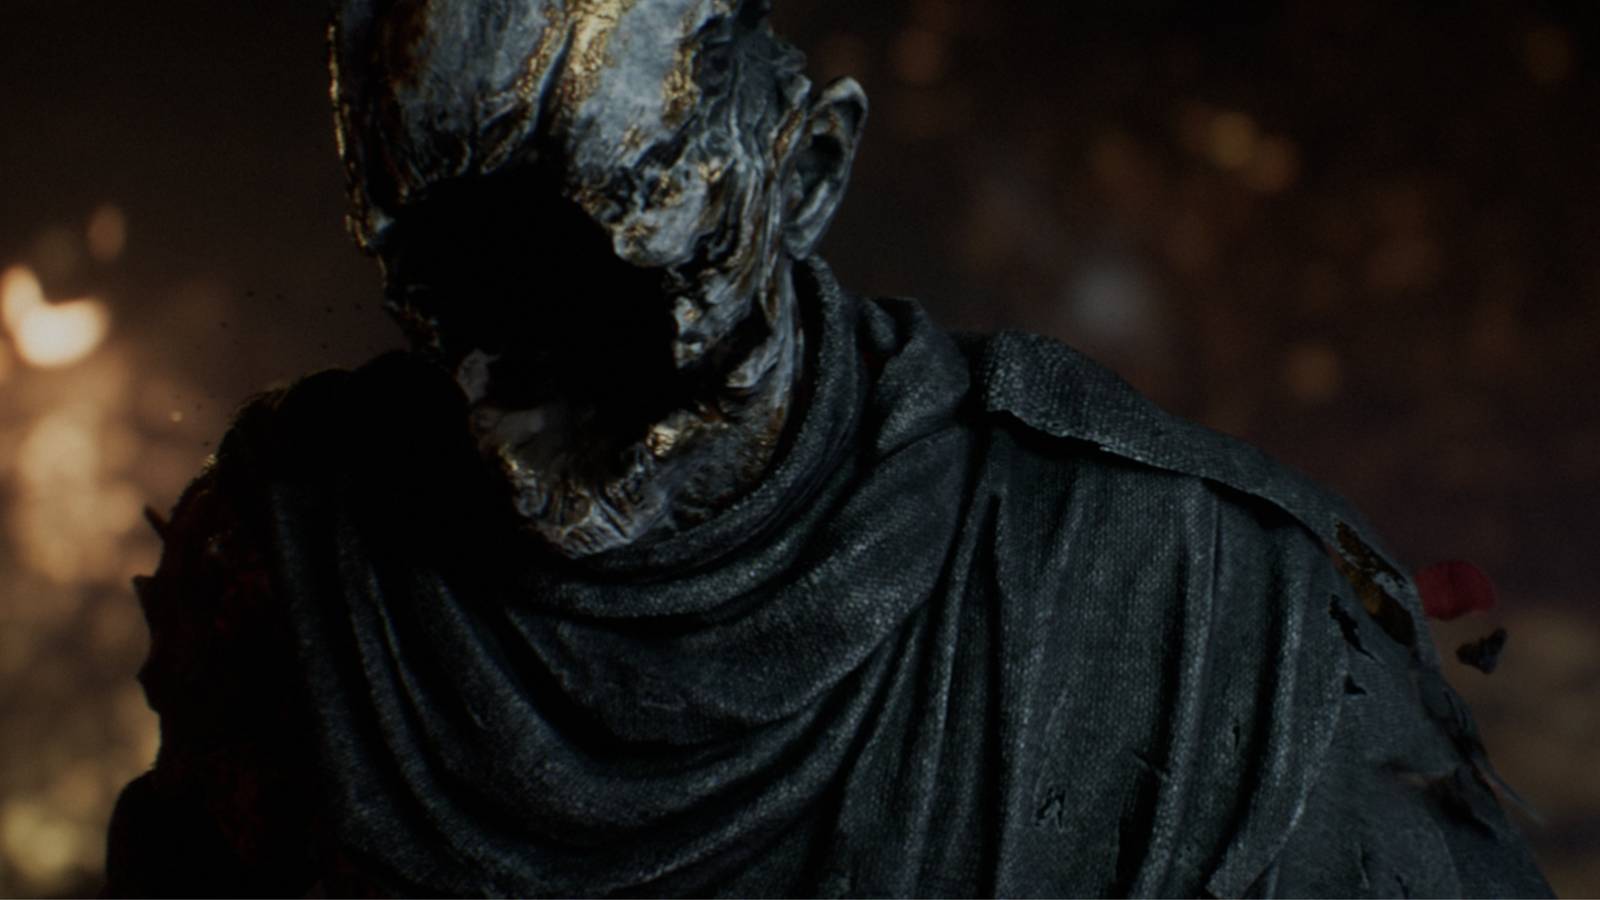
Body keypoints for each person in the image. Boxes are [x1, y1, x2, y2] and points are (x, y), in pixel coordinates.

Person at [105, 1, 1552, 895]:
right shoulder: (289, 570)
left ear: (802, 174)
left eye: (593, 244)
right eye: (446, 261)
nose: (516, 363)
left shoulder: (1208, 605)